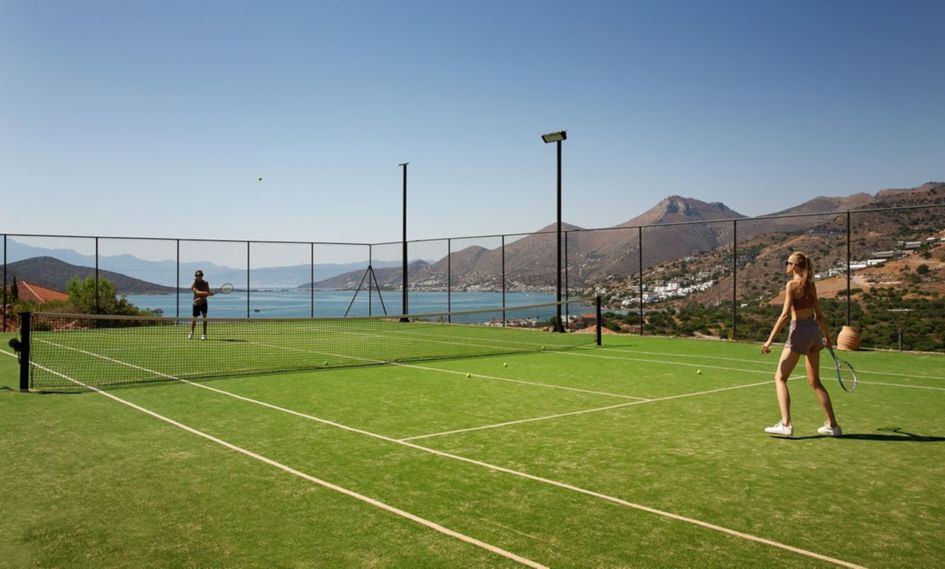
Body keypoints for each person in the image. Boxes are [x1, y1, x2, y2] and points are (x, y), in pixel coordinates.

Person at [761, 252, 842, 437]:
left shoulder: (791, 285)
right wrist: (828, 339)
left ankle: (786, 424)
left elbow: (784, 316)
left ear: (794, 266)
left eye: (787, 262)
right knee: (815, 382)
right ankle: (833, 426)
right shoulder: (811, 285)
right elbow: (819, 316)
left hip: (799, 332)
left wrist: (769, 341)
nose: (785, 266)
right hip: (814, 332)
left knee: (780, 378)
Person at [189, 270, 214, 340]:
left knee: (204, 318)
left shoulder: (205, 283)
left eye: (201, 275)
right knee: (194, 319)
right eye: (198, 275)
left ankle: (204, 334)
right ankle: (191, 332)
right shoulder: (194, 283)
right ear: (195, 276)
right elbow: (197, 292)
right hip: (196, 303)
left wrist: (208, 294)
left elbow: (207, 293)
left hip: (204, 303)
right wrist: (207, 293)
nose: (199, 276)